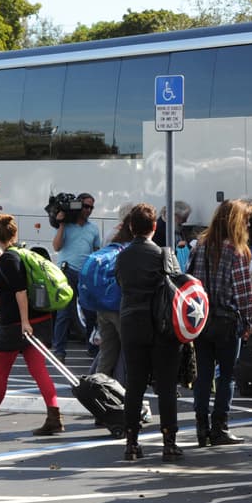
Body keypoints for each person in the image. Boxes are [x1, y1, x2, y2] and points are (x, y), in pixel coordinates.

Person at [0, 214, 61, 437]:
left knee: (0, 374)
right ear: (15, 233)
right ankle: (54, 416)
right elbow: (11, 292)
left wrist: (24, 322)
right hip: (40, 320)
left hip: (15, 326)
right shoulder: (24, 253)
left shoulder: (8, 259)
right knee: (39, 371)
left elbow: (20, 292)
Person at [114, 203, 183, 462]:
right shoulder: (164, 254)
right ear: (155, 227)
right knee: (166, 386)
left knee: (135, 385)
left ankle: (131, 442)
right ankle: (169, 442)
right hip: (161, 325)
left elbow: (120, 283)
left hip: (132, 322)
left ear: (131, 227)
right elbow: (177, 287)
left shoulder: (122, 256)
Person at [189, 199, 252, 448]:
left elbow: (191, 283)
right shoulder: (237, 251)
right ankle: (220, 427)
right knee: (226, 376)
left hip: (201, 320)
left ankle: (201, 426)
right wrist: (249, 321)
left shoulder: (200, 246)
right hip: (227, 321)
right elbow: (242, 292)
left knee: (203, 375)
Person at [86, 207, 135, 381]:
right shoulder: (130, 250)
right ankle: (126, 392)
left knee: (107, 352)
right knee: (130, 352)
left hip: (103, 306)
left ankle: (99, 388)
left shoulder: (113, 242)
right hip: (120, 306)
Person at [51, 191, 101, 360]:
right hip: (66, 271)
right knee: (64, 312)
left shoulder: (93, 228)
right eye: (86, 206)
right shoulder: (67, 225)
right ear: (78, 205)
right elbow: (56, 247)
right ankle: (59, 350)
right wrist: (62, 223)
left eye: (91, 207)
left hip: (85, 273)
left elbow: (96, 251)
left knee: (90, 312)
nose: (88, 210)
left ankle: (92, 347)